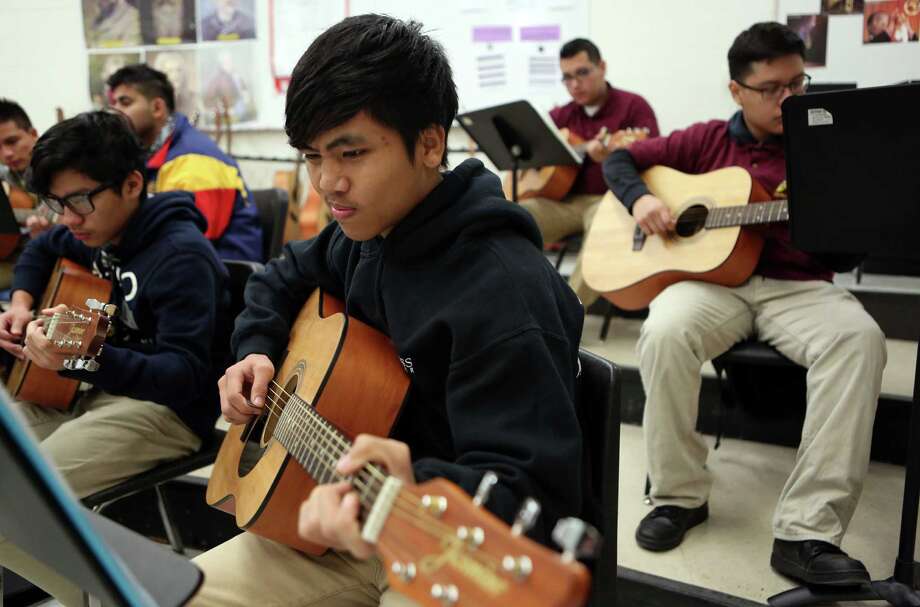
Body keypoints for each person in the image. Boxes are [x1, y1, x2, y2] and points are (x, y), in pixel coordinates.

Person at [190, 14, 586, 607]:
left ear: (430, 144)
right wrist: (256, 349)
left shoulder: (503, 291)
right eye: (313, 157)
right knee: (157, 593)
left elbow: (534, 495)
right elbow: (280, 276)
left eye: (350, 153)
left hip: (445, 546)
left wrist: (415, 485)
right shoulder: (366, 233)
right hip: (333, 522)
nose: (327, 183)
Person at [603, 22, 886, 586]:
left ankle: (807, 530)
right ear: (737, 91)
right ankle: (679, 497)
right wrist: (641, 203)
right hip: (712, 285)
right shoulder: (706, 139)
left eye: (798, 84)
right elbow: (621, 163)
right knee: (663, 330)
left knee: (860, 339)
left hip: (798, 286)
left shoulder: (825, 144)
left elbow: (848, 244)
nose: (789, 98)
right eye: (772, 88)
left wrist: (840, 218)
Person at [0, 110, 229, 604]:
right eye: (56, 202)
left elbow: (185, 376)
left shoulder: (180, 257)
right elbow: (40, 253)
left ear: (130, 184)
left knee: (13, 506)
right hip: (91, 390)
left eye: (80, 200)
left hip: (165, 412)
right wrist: (19, 304)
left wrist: (82, 359)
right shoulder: (96, 231)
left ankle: (109, 595)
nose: (67, 219)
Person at [519, 38, 659, 308]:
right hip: (562, 203)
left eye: (582, 73)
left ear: (602, 67)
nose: (574, 84)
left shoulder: (634, 107)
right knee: (513, 216)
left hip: (608, 200)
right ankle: (516, 303)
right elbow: (531, 153)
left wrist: (617, 154)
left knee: (603, 230)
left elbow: (653, 156)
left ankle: (566, 314)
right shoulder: (561, 116)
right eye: (567, 77)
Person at [107, 64, 262, 262]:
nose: (115, 112)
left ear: (157, 108)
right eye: (114, 104)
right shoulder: (145, 157)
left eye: (125, 102)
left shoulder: (195, 160)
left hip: (221, 280)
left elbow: (187, 245)